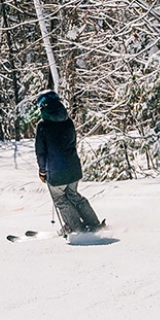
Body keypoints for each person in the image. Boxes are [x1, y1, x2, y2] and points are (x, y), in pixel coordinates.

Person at [31, 91, 102, 235]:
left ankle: (77, 228)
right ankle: (94, 223)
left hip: (56, 171)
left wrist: (42, 171)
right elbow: (72, 142)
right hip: (73, 167)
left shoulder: (43, 126)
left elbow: (41, 152)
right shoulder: (68, 121)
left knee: (60, 200)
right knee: (74, 195)